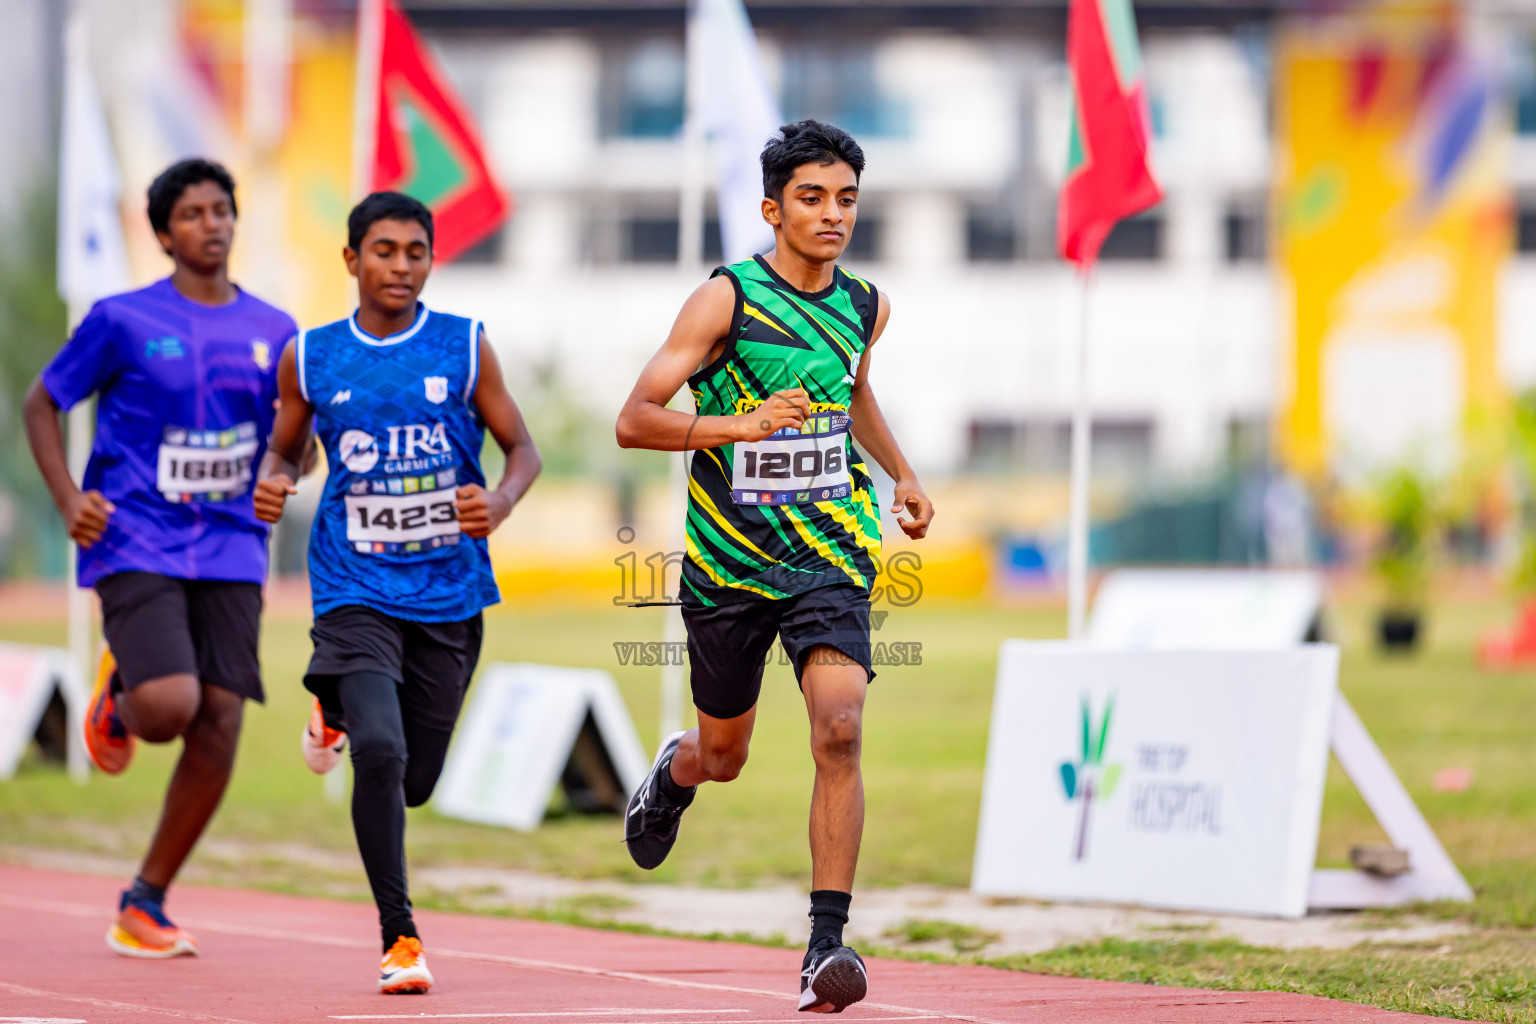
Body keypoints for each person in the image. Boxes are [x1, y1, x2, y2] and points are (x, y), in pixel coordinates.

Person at [614, 119, 934, 1014]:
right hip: (727, 567)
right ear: (771, 208)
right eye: (812, 198)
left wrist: (901, 472)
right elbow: (635, 419)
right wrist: (740, 425)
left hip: (829, 555)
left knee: (840, 728)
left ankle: (825, 945)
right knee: (726, 754)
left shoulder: (866, 304)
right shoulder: (726, 300)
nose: (833, 215)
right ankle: (673, 776)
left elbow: (854, 391)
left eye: (847, 200)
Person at [255, 191, 541, 995]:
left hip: (450, 590)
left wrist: (503, 501)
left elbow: (521, 449)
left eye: (416, 251)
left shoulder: (465, 346)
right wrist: (275, 481)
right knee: (379, 753)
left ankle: (333, 709)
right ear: (352, 260)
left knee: (415, 778)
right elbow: (286, 452)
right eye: (384, 251)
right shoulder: (309, 356)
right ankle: (401, 934)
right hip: (352, 580)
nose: (402, 267)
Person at [23, 158, 298, 958]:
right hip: (135, 532)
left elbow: (293, 444)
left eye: (222, 210)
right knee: (172, 706)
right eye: (193, 213)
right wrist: (68, 498)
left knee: (219, 725)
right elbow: (43, 401)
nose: (212, 224)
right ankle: (120, 696)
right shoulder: (122, 319)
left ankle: (144, 900)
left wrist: (284, 473)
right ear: (162, 233)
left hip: (232, 543)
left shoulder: (277, 331)